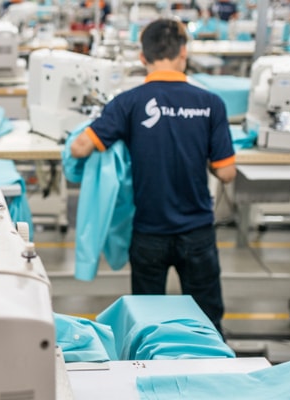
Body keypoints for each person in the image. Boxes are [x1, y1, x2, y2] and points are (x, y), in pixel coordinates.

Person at [70, 19, 236, 334]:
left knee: (149, 323)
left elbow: (80, 148)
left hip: (149, 232)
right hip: (197, 231)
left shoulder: (128, 103)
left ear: (142, 58)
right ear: (183, 53)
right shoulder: (210, 103)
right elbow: (226, 173)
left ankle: (150, 372)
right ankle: (214, 372)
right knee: (208, 321)